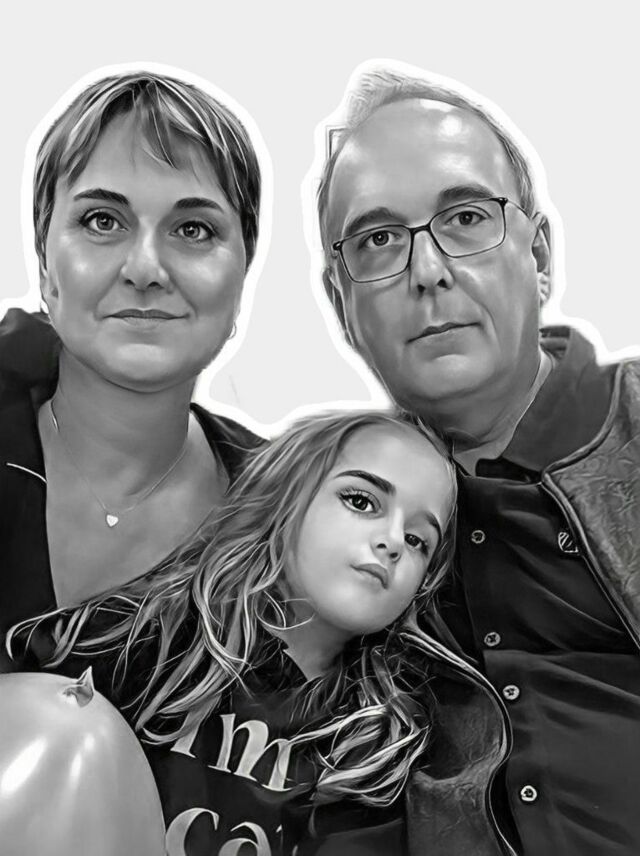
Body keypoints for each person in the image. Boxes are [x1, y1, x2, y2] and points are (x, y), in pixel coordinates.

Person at [316, 64, 640, 856]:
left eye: (464, 218)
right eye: (379, 240)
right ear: (342, 306)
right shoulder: (335, 515)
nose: (428, 271)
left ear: (540, 255)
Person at [12, 409, 504, 856]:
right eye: (361, 501)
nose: (393, 541)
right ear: (283, 498)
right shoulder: (141, 640)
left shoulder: (383, 745)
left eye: (418, 540)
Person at [0, 70, 263, 666]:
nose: (145, 269)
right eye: (102, 221)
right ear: (44, 264)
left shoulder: (288, 515)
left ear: (242, 274)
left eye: (193, 229)